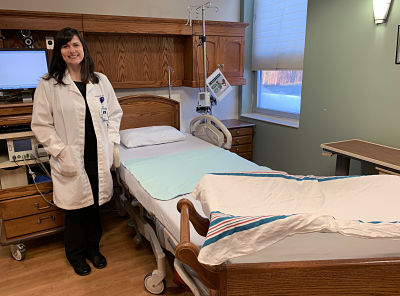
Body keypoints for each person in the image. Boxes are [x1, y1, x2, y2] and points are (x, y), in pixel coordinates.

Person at [31, 27, 123, 276]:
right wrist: (59, 151)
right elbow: (41, 124)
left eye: (76, 45)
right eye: (65, 46)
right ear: (59, 52)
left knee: (94, 206)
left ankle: (94, 249)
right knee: (74, 210)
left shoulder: (100, 80)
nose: (72, 50)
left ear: (83, 47)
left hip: (97, 154)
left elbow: (114, 114)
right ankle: (75, 255)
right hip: (70, 155)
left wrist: (112, 141)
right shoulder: (49, 84)